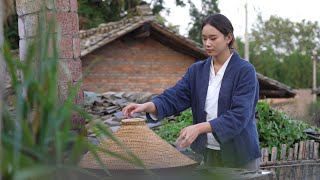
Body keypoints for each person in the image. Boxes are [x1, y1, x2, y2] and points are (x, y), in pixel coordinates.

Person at [122, 13, 261, 170]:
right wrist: (148, 106)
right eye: (204, 38)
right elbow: (175, 96)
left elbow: (239, 115)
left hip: (240, 155)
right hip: (208, 154)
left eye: (213, 38)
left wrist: (199, 128)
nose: (207, 43)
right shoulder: (197, 71)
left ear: (228, 38)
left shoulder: (244, 71)